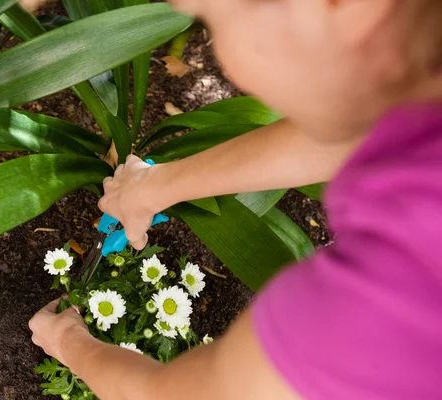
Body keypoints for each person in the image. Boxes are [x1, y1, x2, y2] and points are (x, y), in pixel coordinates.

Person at [28, 0, 442, 398]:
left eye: (210, 20)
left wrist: (68, 342)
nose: (223, 59)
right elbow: (361, 128)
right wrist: (157, 185)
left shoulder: (389, 297)